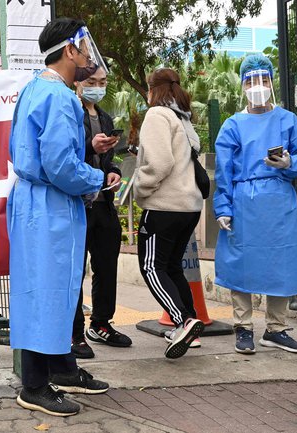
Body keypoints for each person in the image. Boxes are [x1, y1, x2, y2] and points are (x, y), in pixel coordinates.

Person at [7, 18, 110, 417]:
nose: (88, 57)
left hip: (34, 202)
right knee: (48, 290)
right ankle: (34, 385)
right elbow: (61, 165)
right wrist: (97, 177)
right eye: (84, 49)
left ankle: (60, 369)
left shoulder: (34, 88)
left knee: (48, 288)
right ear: (70, 50)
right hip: (50, 205)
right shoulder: (61, 97)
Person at [213, 54, 297, 355]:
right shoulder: (232, 125)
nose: (258, 86)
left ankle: (277, 329)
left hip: (279, 201)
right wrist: (223, 207)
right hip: (244, 200)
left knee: (280, 263)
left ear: (271, 83)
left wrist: (288, 162)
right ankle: (243, 328)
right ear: (243, 85)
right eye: (252, 81)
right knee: (239, 262)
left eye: (264, 80)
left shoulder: (287, 120)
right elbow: (224, 171)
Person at [134, 68, 205, 360]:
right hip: (189, 207)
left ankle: (184, 321)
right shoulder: (182, 117)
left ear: (152, 90)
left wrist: (140, 187)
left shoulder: (157, 115)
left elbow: (160, 163)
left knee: (152, 267)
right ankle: (189, 324)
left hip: (163, 206)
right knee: (172, 267)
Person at [71, 66, 132, 359]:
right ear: (77, 83)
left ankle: (101, 323)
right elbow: (64, 156)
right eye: (91, 82)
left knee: (107, 265)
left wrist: (114, 172)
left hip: (104, 203)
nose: (97, 87)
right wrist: (88, 146)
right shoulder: (70, 112)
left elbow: (108, 160)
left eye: (102, 82)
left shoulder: (105, 117)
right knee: (74, 271)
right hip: (78, 204)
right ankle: (75, 333)